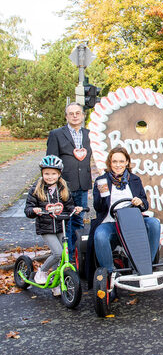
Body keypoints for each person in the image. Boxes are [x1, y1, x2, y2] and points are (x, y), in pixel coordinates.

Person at [87, 147, 160, 285]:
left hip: (132, 222)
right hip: (111, 222)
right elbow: (99, 208)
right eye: (115, 161)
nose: (118, 165)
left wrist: (140, 202)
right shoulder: (102, 180)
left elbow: (145, 204)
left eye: (121, 161)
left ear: (127, 162)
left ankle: (145, 266)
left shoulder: (134, 179)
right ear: (110, 163)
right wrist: (103, 196)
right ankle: (109, 274)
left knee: (154, 224)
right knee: (100, 235)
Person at [24, 155, 82, 296]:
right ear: (42, 173)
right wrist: (34, 210)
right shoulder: (36, 189)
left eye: (53, 173)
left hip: (61, 225)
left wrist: (76, 209)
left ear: (59, 174)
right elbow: (28, 209)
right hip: (46, 228)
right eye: (47, 174)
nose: (50, 177)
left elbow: (69, 206)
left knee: (63, 256)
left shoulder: (63, 188)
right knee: (57, 253)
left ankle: (57, 283)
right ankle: (41, 271)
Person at [46, 103, 92, 261]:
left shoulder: (89, 134)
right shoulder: (56, 134)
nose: (74, 116)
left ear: (82, 115)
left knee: (79, 218)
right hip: (65, 186)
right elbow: (50, 162)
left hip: (83, 184)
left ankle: (80, 253)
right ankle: (68, 255)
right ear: (66, 116)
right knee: (66, 220)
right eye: (71, 113)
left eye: (78, 113)